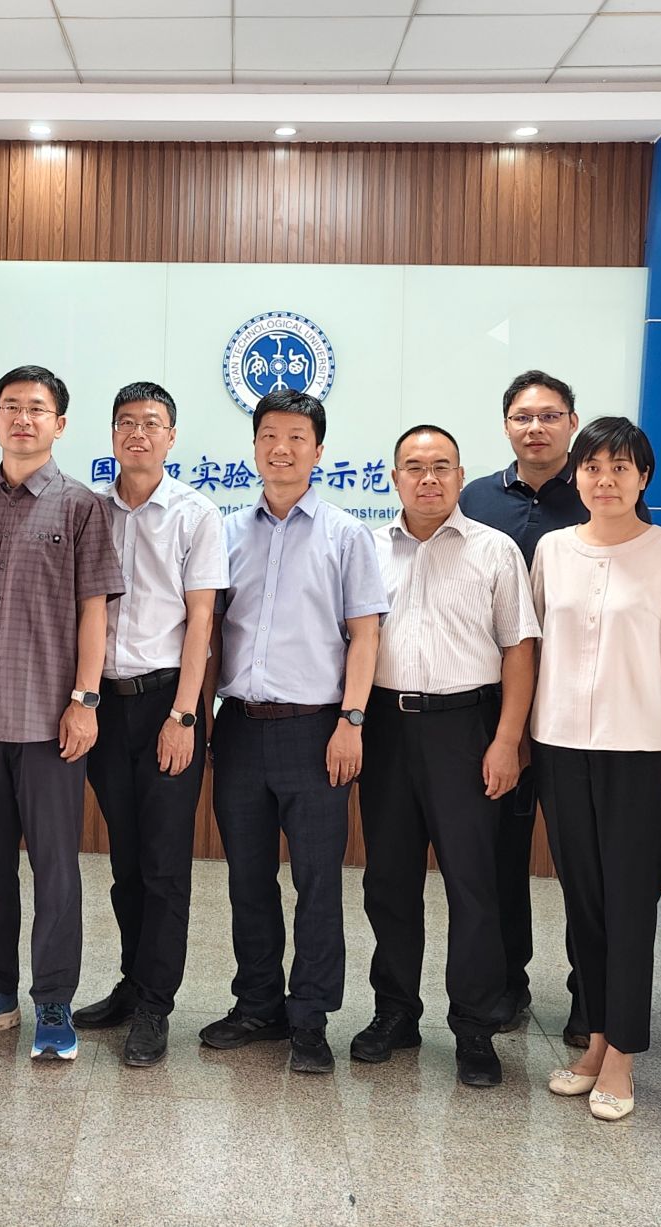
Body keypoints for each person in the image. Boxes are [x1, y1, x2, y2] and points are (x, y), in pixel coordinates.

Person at [0, 364, 124, 1062]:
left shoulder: (81, 507)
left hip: (49, 722)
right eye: (10, 406)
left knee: (55, 870)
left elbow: (94, 609)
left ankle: (53, 1000)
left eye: (37, 408)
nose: (23, 418)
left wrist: (85, 700)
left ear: (59, 424)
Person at [530, 416, 661, 1121]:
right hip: (560, 747)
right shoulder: (552, 550)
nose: (605, 480)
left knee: (631, 905)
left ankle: (624, 1055)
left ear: (644, 477)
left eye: (621, 467)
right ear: (576, 476)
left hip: (644, 752)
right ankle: (597, 1039)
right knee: (585, 902)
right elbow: (533, 647)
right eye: (593, 467)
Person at [203, 388, 386, 1075]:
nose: (281, 449)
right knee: (247, 878)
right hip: (240, 728)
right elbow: (208, 631)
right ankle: (258, 1004)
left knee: (317, 882)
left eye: (297, 438)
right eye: (269, 436)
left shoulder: (346, 535)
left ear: (318, 450)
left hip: (316, 732)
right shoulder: (225, 530)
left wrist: (351, 721)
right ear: (254, 445)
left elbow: (365, 635)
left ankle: (310, 1016)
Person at [354, 424, 538, 1086]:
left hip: (468, 727)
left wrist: (507, 740)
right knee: (389, 881)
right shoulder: (366, 548)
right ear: (394, 478)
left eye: (441, 466)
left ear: (461, 476)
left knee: (474, 883)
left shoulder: (495, 550)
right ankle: (395, 1012)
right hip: (385, 727)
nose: (427, 478)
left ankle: (475, 1026)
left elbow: (520, 649)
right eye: (414, 466)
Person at [74, 381, 228, 1068]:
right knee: (126, 861)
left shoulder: (196, 514)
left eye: (152, 423)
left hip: (168, 700)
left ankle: (156, 1006)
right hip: (104, 704)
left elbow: (203, 621)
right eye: (126, 422)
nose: (138, 433)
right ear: (112, 434)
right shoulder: (88, 510)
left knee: (165, 864)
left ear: (171, 436)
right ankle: (132, 983)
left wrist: (185, 716)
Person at [457, 369, 593, 1048]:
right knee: (500, 857)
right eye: (522, 416)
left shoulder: (599, 493)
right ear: (506, 424)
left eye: (549, 415)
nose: (535, 427)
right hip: (496, 711)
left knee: (583, 862)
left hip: (578, 710)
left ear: (572, 423)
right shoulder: (476, 498)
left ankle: (591, 995)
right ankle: (507, 985)